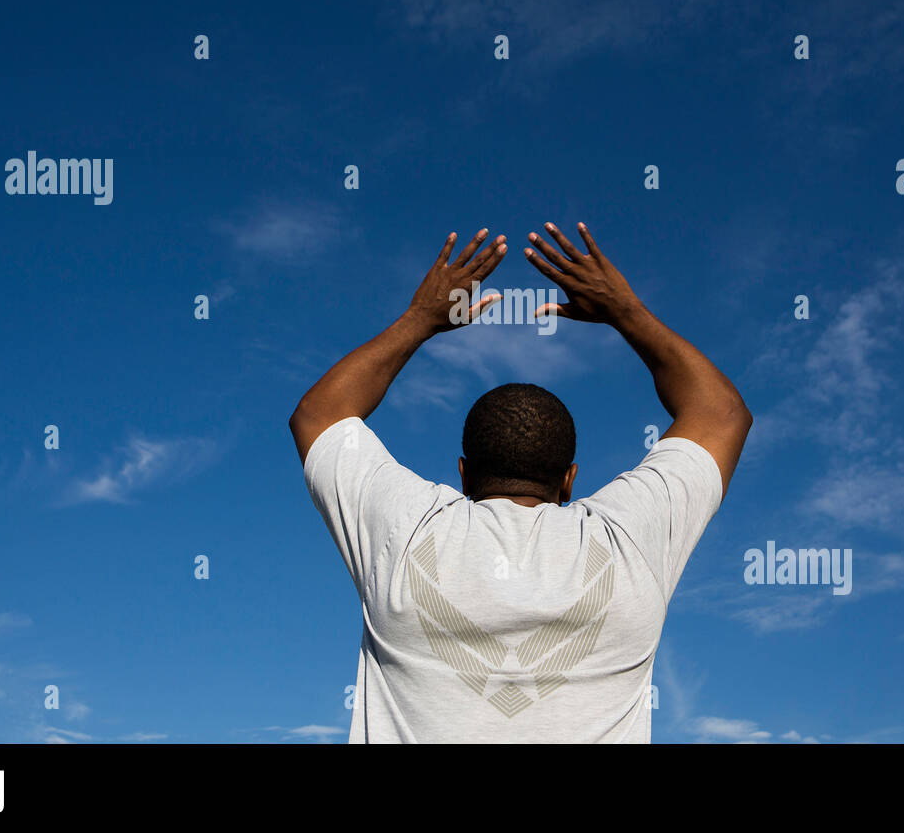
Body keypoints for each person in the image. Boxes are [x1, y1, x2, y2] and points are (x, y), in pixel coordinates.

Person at [289, 222, 752, 742]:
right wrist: (625, 311)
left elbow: (320, 414)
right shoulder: (627, 540)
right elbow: (721, 413)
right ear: (570, 480)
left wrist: (420, 319)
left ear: (464, 474)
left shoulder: (408, 531)